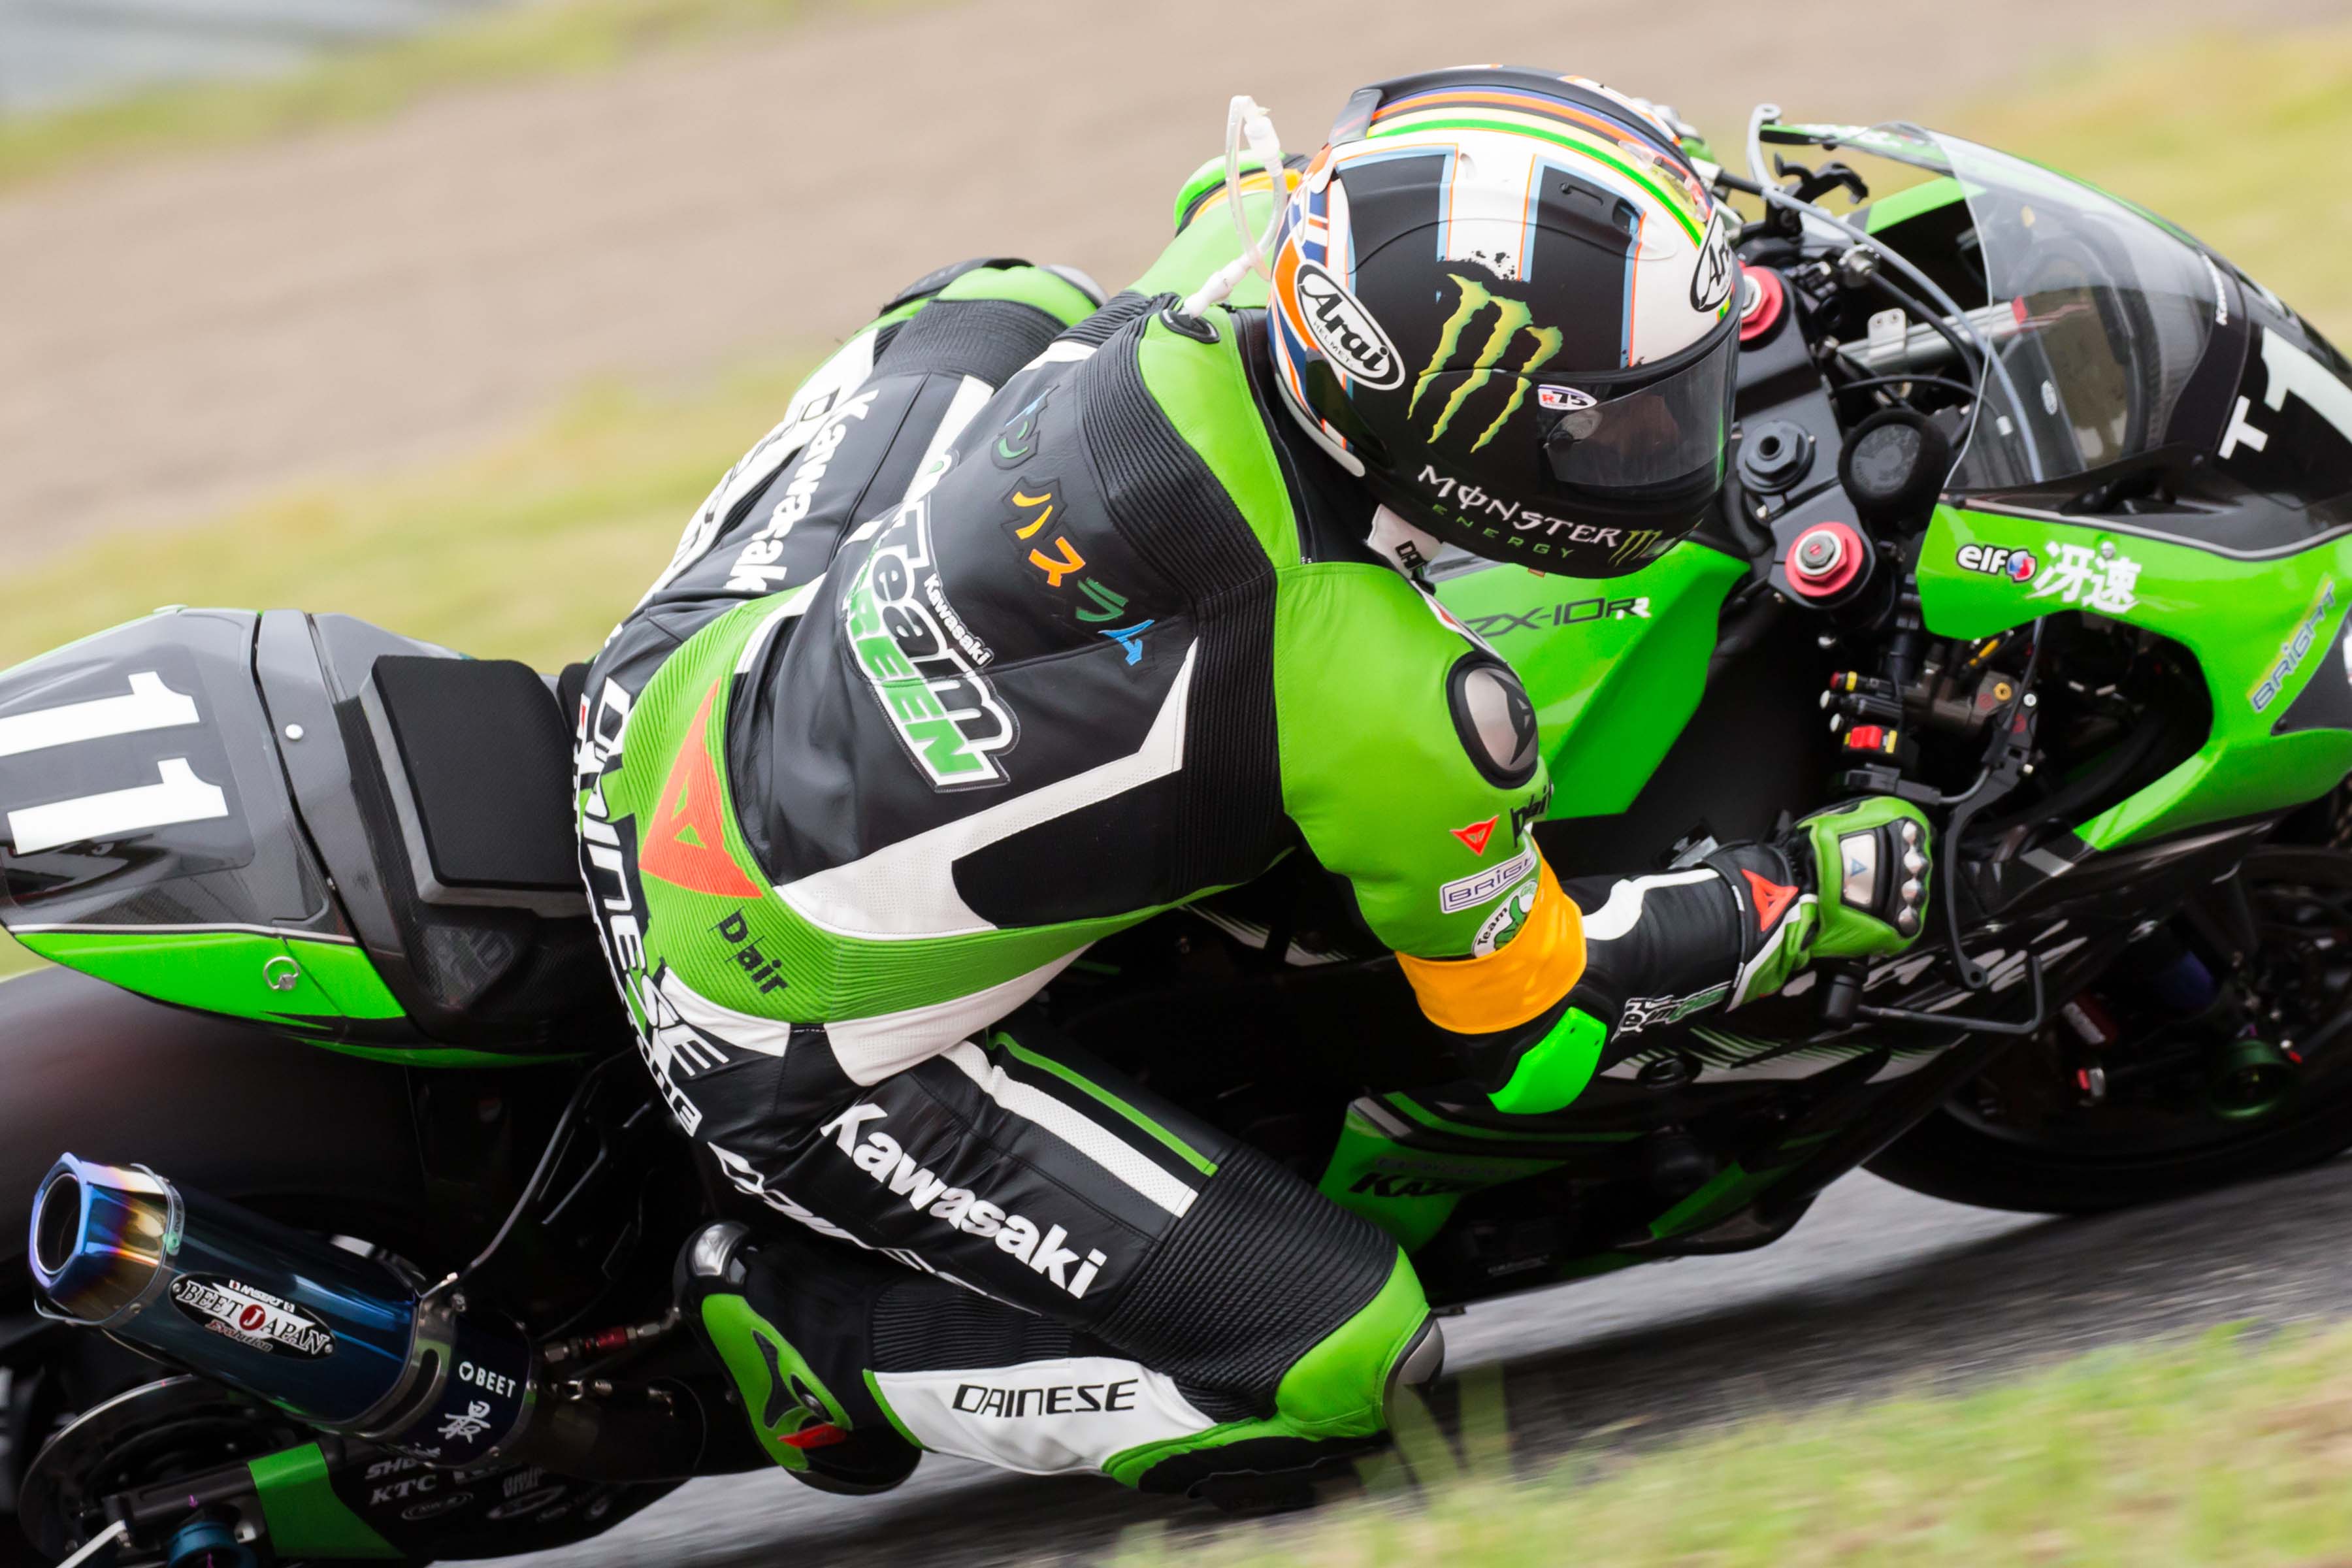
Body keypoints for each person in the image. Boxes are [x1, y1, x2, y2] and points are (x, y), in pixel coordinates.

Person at [572, 65, 1932, 1501]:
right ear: (1460, 427)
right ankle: (828, 1342)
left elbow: (1229, 202)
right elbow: (1528, 1025)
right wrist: (1800, 895)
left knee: (1007, 299)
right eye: (1624, 422)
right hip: (767, 1023)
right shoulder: (1387, 697)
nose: (1666, 442)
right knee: (1342, 1357)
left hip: (665, 694)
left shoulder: (1249, 251)